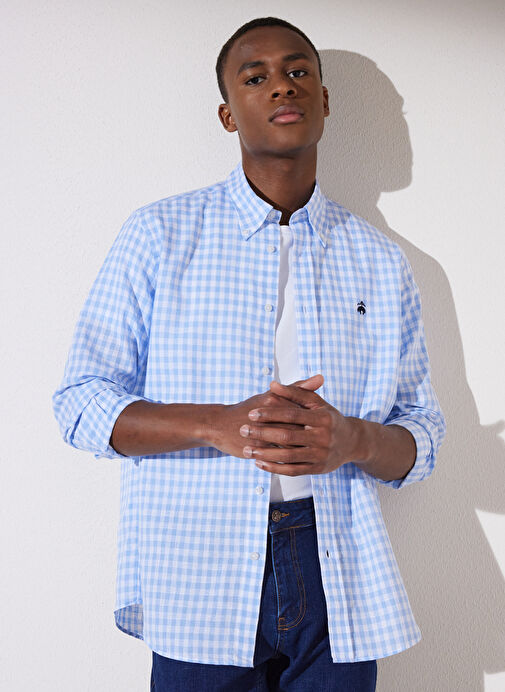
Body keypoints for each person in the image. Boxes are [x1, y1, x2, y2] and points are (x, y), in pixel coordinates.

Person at [52, 16, 446, 692]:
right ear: (227, 114)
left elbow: (423, 437)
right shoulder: (159, 235)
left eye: (297, 71)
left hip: (338, 567)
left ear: (324, 99)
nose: (281, 87)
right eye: (255, 77)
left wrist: (350, 439)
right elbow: (80, 404)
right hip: (198, 564)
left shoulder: (381, 263)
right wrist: (217, 424)